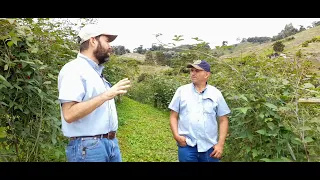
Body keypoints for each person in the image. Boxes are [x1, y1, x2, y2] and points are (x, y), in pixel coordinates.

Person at [57, 24, 131, 162]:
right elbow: (69, 114)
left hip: (110, 143)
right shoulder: (74, 69)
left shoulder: (95, 72)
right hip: (88, 148)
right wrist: (106, 95)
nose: (110, 47)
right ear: (93, 41)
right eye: (107, 41)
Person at [168, 60, 231, 162]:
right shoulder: (181, 91)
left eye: (197, 71)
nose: (193, 73)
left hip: (210, 148)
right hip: (187, 145)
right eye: (192, 70)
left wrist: (220, 145)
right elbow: (173, 116)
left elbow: (223, 120)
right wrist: (176, 135)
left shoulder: (216, 94)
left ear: (207, 74)